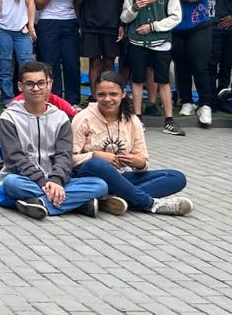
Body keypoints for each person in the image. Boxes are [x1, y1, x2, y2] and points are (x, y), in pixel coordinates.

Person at [0, 61, 109, 219]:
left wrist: (56, 180)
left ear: (49, 84)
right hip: (24, 178)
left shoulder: (61, 117)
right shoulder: (9, 117)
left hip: (58, 179)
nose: (36, 88)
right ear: (20, 86)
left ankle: (41, 203)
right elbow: (14, 158)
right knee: (11, 184)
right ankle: (79, 203)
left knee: (100, 185)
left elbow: (64, 155)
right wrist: (43, 182)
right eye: (30, 84)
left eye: (41, 83)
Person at [72, 74, 193, 215]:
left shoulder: (132, 120)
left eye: (113, 94)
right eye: (101, 94)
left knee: (176, 177)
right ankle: (151, 204)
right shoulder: (83, 118)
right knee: (97, 164)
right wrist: (95, 155)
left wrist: (138, 162)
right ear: (95, 94)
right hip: (89, 177)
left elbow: (143, 161)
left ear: (123, 94)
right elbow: (69, 159)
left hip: (121, 177)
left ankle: (114, 200)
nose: (107, 99)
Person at [121, 0, 184, 136]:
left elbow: (176, 16)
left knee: (163, 80)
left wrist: (153, 26)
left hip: (161, 41)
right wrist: (135, 8)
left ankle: (169, 120)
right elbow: (124, 16)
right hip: (137, 41)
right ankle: (138, 118)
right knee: (138, 79)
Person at [169, 0, 215, 128]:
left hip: (198, 29)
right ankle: (187, 101)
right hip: (177, 30)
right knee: (181, 67)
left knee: (200, 67)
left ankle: (205, 104)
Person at [31, 0, 81, 106]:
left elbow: (78, 3)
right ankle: (54, 98)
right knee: (50, 62)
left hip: (70, 23)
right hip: (48, 24)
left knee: (71, 62)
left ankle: (73, 100)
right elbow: (38, 4)